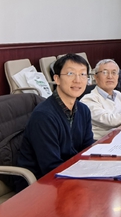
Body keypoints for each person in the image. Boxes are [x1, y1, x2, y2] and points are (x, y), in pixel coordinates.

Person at [17, 54, 95, 183]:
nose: (77, 80)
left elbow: (87, 150)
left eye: (82, 74)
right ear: (57, 79)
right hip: (42, 184)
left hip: (72, 176)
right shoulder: (44, 116)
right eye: (70, 73)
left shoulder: (83, 110)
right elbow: (50, 166)